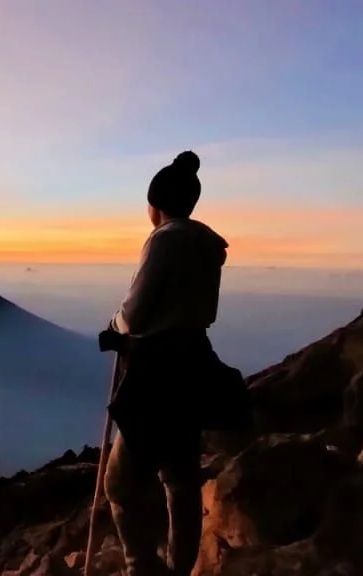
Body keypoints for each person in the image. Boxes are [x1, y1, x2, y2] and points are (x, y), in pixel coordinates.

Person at [99, 150, 229, 576]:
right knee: (180, 476)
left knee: (118, 483)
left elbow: (136, 313)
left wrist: (115, 327)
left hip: (157, 370)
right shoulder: (209, 245)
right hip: (195, 361)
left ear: (155, 204)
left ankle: (142, 568)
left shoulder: (164, 239)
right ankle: (180, 567)